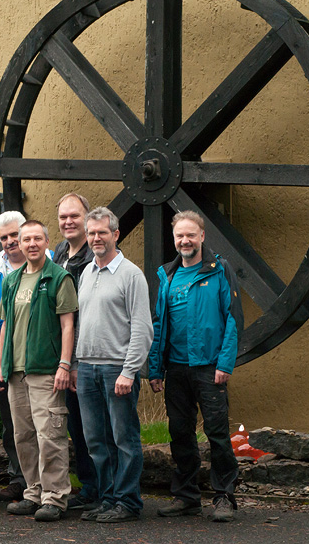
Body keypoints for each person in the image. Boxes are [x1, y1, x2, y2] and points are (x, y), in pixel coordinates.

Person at [149, 211, 243, 522]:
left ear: (202, 236)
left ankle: (224, 497)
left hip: (209, 367)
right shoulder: (168, 275)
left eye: (191, 235)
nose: (185, 240)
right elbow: (160, 323)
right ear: (174, 239)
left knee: (217, 434)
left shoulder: (219, 270)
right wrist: (154, 369)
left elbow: (233, 318)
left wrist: (225, 363)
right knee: (180, 434)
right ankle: (186, 497)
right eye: (179, 236)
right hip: (175, 369)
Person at [0, 220, 78, 522]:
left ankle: (54, 498)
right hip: (15, 371)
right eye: (25, 239)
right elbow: (5, 325)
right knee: (24, 436)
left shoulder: (59, 278)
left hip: (46, 370)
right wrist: (1, 364)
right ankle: (33, 492)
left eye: (37, 239)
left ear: (46, 242)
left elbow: (68, 325)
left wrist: (64, 365)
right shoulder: (12, 280)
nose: (30, 244)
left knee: (50, 434)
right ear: (19, 242)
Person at [75, 207, 153, 523]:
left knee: (124, 440)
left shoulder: (131, 275)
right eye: (91, 233)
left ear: (115, 235)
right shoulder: (86, 272)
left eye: (101, 233)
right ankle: (107, 500)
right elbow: (82, 323)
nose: (95, 238)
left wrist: (129, 370)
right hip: (87, 369)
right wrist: (77, 364)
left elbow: (143, 327)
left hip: (116, 369)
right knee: (96, 441)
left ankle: (129, 502)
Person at [52, 193, 98, 512]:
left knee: (91, 428)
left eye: (75, 216)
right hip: (62, 358)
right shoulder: (58, 256)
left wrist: (75, 363)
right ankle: (88, 486)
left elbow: (84, 315)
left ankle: (98, 488)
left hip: (83, 359)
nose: (68, 222)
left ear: (87, 218)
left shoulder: (94, 258)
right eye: (63, 217)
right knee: (76, 428)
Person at [0, 211, 30, 503]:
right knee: (11, 423)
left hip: (38, 356)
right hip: (4, 358)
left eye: (15, 235)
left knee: (41, 422)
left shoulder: (47, 265)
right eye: (4, 238)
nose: (10, 242)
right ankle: (19, 479)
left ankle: (43, 481)